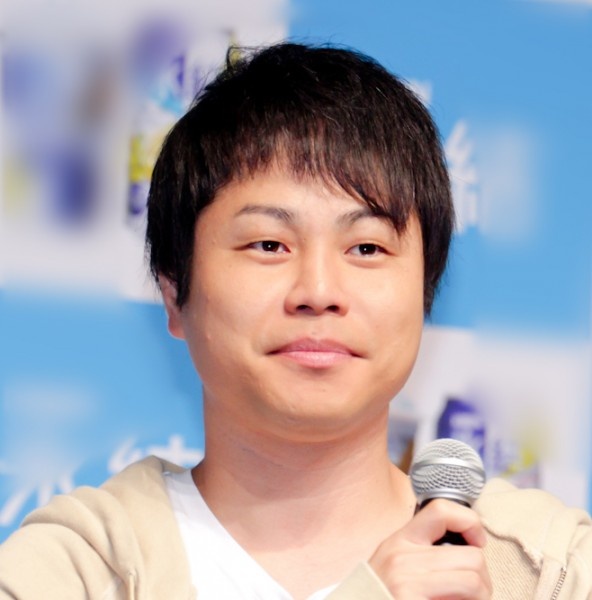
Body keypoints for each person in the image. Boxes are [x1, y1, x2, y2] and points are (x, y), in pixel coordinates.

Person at [1, 41, 591, 600]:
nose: (319, 292)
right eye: (268, 244)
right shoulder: (70, 573)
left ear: (424, 290)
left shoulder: (548, 568)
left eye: (366, 248)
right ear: (175, 294)